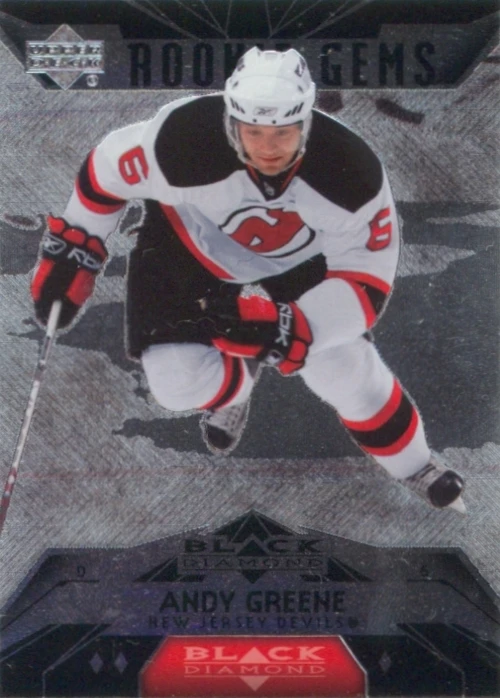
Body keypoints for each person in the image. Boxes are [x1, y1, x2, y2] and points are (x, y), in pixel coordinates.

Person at [30, 47, 465, 512]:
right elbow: (104, 174)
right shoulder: (180, 139)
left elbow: (368, 284)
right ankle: (239, 377)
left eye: (282, 132)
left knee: (339, 368)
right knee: (175, 385)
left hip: (301, 259)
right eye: (253, 131)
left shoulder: (353, 173)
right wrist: (75, 250)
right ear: (231, 121)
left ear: (306, 123)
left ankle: (415, 464)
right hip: (187, 244)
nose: (267, 148)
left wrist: (292, 328)